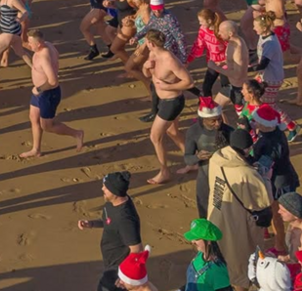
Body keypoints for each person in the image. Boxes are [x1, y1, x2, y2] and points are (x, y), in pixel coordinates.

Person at [206, 128, 270, 281]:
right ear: (247, 149)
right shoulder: (247, 174)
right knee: (240, 263)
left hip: (216, 215)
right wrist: (266, 179)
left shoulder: (215, 159)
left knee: (220, 257)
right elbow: (263, 203)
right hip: (236, 223)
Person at [17, 28, 86, 158]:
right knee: (33, 118)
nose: (29, 45)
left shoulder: (44, 57)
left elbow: (53, 81)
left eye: (31, 43)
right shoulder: (48, 44)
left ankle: (77, 133)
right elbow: (56, 55)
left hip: (48, 94)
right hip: (40, 92)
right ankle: (36, 149)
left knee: (47, 126)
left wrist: (39, 89)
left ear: (39, 44)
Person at [77, 170, 143, 291]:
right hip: (110, 260)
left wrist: (125, 275)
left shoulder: (126, 219)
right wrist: (91, 223)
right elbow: (109, 221)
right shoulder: (112, 203)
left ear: (115, 192)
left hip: (118, 268)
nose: (102, 189)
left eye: (106, 188)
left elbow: (137, 250)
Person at [143, 28, 193, 184]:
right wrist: (145, 66)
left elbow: (189, 82)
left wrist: (167, 87)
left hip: (172, 102)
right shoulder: (152, 54)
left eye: (145, 41)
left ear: (150, 43)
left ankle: (164, 172)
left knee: (155, 136)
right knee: (172, 132)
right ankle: (192, 160)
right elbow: (147, 75)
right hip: (162, 101)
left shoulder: (169, 59)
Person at [180, 218, 231, 291]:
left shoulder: (217, 271)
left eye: (196, 238)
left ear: (209, 240)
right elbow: (191, 282)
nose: (192, 241)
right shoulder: (199, 255)